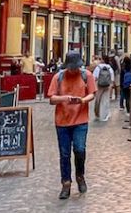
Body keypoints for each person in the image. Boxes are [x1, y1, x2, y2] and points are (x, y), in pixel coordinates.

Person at [47, 51, 97, 200]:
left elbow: (92, 94)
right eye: (71, 67)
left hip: (80, 120)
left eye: (75, 67)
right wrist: (65, 98)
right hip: (62, 121)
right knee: (64, 154)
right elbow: (51, 99)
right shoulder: (59, 77)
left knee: (80, 149)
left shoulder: (86, 75)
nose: (73, 70)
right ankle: (66, 184)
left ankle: (80, 176)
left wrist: (82, 101)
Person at [92, 56, 115, 121]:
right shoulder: (110, 67)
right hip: (107, 85)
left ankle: (97, 114)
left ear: (103, 60)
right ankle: (105, 115)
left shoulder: (98, 67)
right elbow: (112, 78)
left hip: (99, 85)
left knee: (98, 100)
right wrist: (111, 84)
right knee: (105, 100)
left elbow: (94, 77)